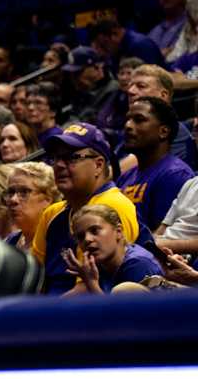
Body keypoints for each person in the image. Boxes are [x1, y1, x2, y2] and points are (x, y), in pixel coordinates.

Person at [31, 123, 150, 293]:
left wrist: (37, 317)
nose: (59, 165)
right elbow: (34, 278)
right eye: (55, 158)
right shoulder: (52, 213)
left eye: (71, 157)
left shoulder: (111, 205)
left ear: (99, 165)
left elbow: (86, 290)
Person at [116, 96, 194, 235]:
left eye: (139, 120)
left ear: (163, 132)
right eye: (128, 119)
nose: (128, 125)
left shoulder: (174, 174)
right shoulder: (126, 176)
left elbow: (164, 237)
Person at [61, 204, 163, 294]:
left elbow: (119, 315)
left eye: (94, 231)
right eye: (80, 236)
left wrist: (91, 283)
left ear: (118, 231)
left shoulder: (138, 264)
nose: (87, 239)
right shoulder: (99, 266)